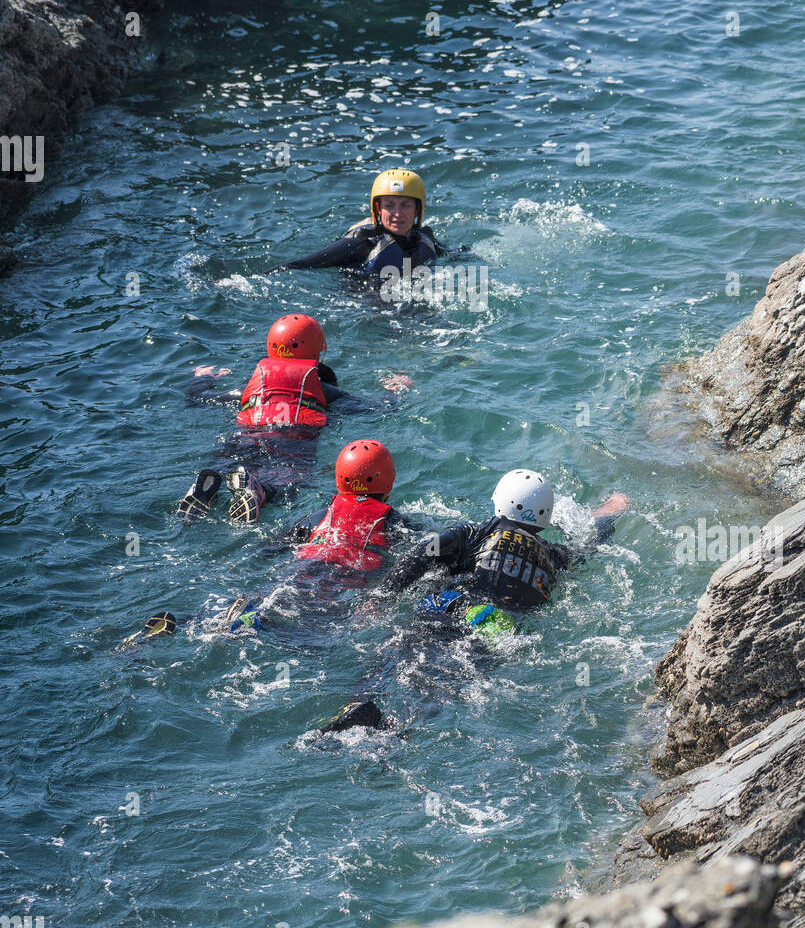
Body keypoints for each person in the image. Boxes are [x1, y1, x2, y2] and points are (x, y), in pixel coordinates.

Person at [319, 470, 629, 733]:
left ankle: (357, 706)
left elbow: (422, 555)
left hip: (453, 604)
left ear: (499, 500)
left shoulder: (478, 532)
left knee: (400, 651)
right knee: (450, 680)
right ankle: (401, 728)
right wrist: (610, 511)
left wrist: (381, 596)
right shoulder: (553, 556)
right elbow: (589, 544)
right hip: (498, 626)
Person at [123, 441, 419, 647]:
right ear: (389, 481)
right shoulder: (394, 521)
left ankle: (189, 621)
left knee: (273, 596)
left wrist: (263, 552)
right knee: (313, 638)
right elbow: (422, 554)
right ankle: (252, 622)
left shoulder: (320, 515)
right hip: (344, 576)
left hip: (305, 565)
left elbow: (276, 547)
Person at [177, 314, 401, 526]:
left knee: (229, 462)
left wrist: (203, 378)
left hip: (248, 436)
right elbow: (374, 410)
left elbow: (199, 399)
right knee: (288, 486)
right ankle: (262, 491)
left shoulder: (253, 387)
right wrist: (394, 391)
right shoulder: (324, 391)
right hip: (293, 442)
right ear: (317, 352)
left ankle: (207, 485)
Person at [271, 169, 447, 277]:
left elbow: (454, 256)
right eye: (389, 206)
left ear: (418, 209)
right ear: (378, 209)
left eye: (405, 205)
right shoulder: (360, 243)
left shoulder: (426, 238)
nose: (397, 214)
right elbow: (301, 265)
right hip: (363, 302)